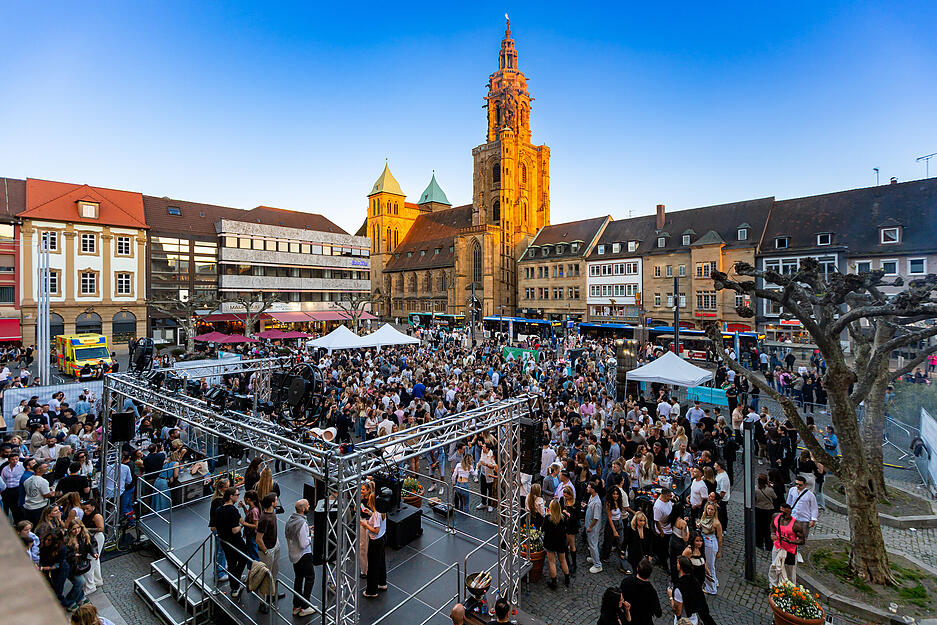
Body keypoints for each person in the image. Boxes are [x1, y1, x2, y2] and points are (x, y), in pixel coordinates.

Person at [215, 487, 248, 599]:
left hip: (225, 542)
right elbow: (235, 529)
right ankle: (235, 581)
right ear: (231, 496)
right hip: (235, 541)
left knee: (231, 563)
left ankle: (234, 584)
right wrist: (242, 526)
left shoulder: (219, 510)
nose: (238, 496)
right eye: (237, 495)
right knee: (244, 558)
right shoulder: (233, 510)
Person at [285, 499, 316, 616]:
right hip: (303, 555)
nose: (309, 506)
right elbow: (303, 543)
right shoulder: (302, 523)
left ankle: (296, 605)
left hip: (294, 555)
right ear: (303, 509)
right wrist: (310, 535)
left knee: (298, 579)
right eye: (308, 505)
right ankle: (305, 606)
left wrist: (307, 531)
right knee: (310, 578)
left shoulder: (290, 520)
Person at [668, 556, 716, 625]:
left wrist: (671, 597)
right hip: (694, 619)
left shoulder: (679, 588)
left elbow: (678, 612)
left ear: (680, 567)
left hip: (683, 621)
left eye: (677, 563)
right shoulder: (695, 581)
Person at [256, 492, 282, 613]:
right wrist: (266, 551)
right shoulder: (265, 518)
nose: (277, 501)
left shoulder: (271, 513)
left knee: (274, 571)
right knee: (266, 575)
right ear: (272, 503)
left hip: (274, 545)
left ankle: (272, 593)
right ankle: (262, 602)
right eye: (276, 500)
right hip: (268, 549)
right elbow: (258, 539)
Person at [769, 501, 805, 586]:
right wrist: (773, 534)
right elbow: (772, 526)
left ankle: (790, 590)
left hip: (790, 551)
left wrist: (790, 541)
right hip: (777, 547)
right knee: (774, 568)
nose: (782, 514)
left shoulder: (796, 524)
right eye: (781, 511)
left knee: (790, 573)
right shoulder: (775, 516)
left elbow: (802, 540)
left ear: (789, 512)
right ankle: (773, 587)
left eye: (784, 512)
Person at [619, 557, 661, 625]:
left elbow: (620, 599)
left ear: (637, 569)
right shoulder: (651, 592)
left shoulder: (626, 582)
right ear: (650, 574)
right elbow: (658, 613)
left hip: (627, 618)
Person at [361, 490, 387, 598]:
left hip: (375, 540)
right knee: (381, 562)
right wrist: (370, 513)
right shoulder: (382, 512)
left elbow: (375, 530)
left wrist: (365, 524)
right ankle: (382, 583)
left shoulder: (376, 514)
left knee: (372, 566)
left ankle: (371, 591)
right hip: (382, 539)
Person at [542, 499, 570, 588]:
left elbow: (543, 529)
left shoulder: (548, 519)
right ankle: (567, 579)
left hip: (550, 542)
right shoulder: (563, 518)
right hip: (561, 542)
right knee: (563, 560)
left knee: (552, 562)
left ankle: (554, 582)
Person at [696, 501, 722, 595]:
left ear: (715, 511)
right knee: (710, 565)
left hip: (710, 543)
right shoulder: (704, 516)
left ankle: (711, 588)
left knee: (708, 566)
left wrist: (719, 551)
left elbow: (720, 537)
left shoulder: (716, 522)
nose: (709, 511)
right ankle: (714, 581)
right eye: (708, 509)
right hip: (704, 540)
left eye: (712, 509)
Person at [584, 482, 603, 573]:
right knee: (591, 544)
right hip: (590, 525)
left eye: (589, 487)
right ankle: (593, 557)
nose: (587, 488)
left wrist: (590, 527)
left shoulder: (597, 502)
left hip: (593, 527)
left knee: (593, 544)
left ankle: (598, 564)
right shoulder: (592, 497)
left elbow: (596, 518)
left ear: (593, 489)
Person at [754, 474, 777, 551]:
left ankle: (759, 543)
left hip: (759, 509)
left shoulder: (756, 489)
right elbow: (775, 497)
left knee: (759, 527)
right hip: (768, 510)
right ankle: (768, 545)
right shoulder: (769, 490)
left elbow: (754, 499)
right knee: (768, 528)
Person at [561, 485, 580, 575]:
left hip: (571, 527)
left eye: (566, 496)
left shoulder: (576, 503)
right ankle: (567, 561)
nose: (565, 498)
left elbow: (577, 517)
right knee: (565, 545)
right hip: (564, 526)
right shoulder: (562, 500)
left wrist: (568, 514)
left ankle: (574, 564)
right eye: (564, 496)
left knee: (572, 545)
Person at [652, 488, 674, 568]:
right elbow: (657, 521)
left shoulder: (668, 501)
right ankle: (662, 562)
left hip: (669, 528)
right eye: (669, 496)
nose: (671, 497)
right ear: (664, 496)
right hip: (663, 530)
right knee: (662, 548)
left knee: (666, 546)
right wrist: (661, 532)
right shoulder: (658, 507)